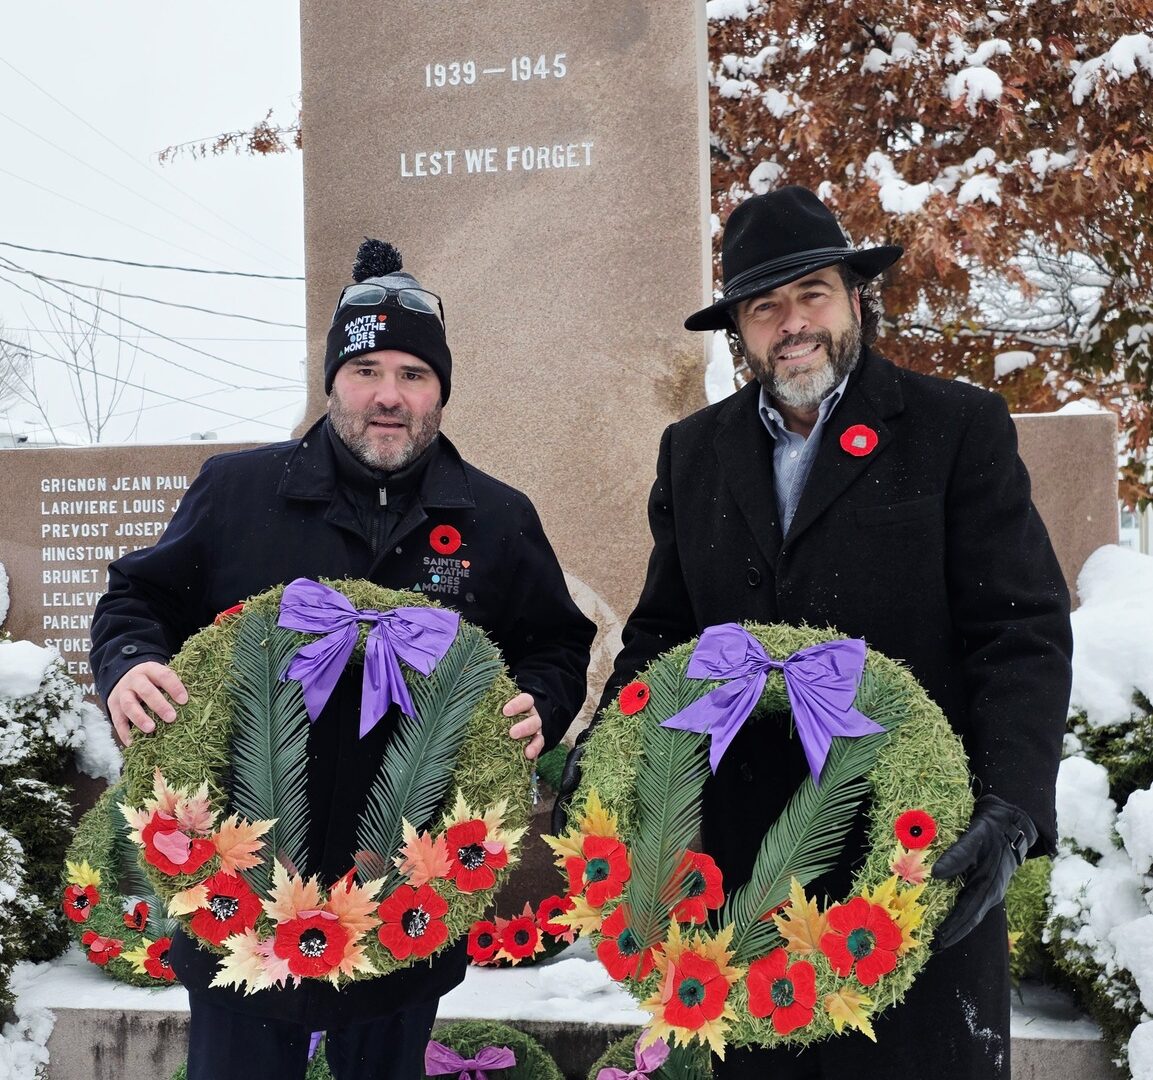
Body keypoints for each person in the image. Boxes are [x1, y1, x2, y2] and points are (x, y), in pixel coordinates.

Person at [556, 186, 1073, 1078]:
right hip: (747, 873)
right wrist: (609, 750)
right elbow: (665, 632)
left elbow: (1018, 629)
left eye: (812, 294)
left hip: (917, 863)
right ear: (739, 330)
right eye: (764, 307)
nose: (791, 323)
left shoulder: (954, 428)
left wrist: (1013, 806)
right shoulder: (694, 451)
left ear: (854, 300)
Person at [91, 238, 596, 1080]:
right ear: (332, 383)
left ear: (440, 390)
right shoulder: (237, 490)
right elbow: (137, 598)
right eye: (366, 371)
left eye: (413, 374)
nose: (388, 395)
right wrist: (132, 661)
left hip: (405, 895)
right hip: (237, 893)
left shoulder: (495, 517)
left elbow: (554, 640)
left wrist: (539, 701)